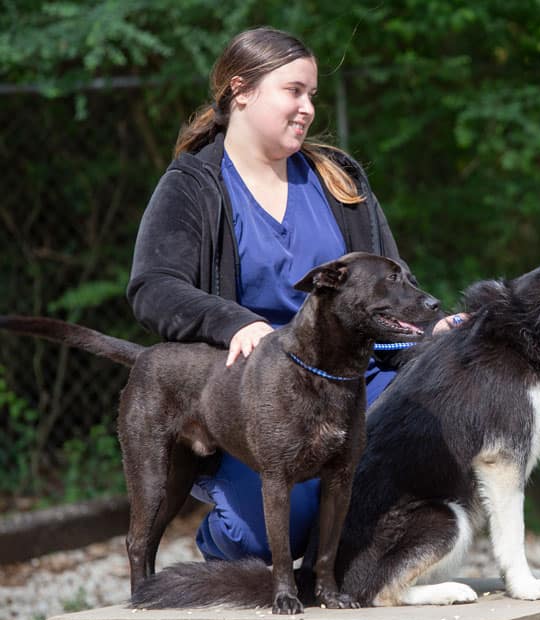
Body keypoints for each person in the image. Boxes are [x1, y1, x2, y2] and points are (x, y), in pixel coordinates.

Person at [127, 26, 462, 564]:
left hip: (357, 382)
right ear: (242, 91)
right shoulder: (193, 185)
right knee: (257, 540)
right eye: (294, 91)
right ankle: (226, 539)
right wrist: (234, 321)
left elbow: (395, 293)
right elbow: (153, 289)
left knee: (433, 437)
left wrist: (432, 334)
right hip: (258, 397)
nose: (307, 107)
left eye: (312, 95)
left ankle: (370, 566)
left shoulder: (339, 180)